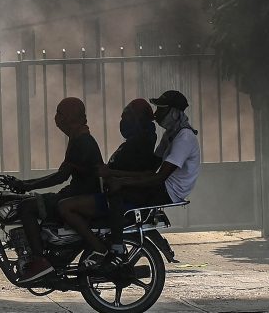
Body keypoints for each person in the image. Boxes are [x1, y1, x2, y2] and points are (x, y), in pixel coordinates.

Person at [57, 89, 200, 271]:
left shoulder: (184, 138)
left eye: (161, 110)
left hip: (167, 191)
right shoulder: (170, 135)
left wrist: (120, 180)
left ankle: (115, 247)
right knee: (114, 186)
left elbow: (159, 177)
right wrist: (114, 173)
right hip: (160, 184)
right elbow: (150, 169)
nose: (156, 115)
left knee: (116, 192)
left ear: (173, 112)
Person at [13, 97, 104, 283]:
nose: (56, 118)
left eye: (60, 113)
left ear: (71, 116)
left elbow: (60, 176)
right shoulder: (78, 137)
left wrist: (26, 185)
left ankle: (40, 261)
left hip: (79, 196)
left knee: (26, 207)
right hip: (76, 192)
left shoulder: (82, 142)